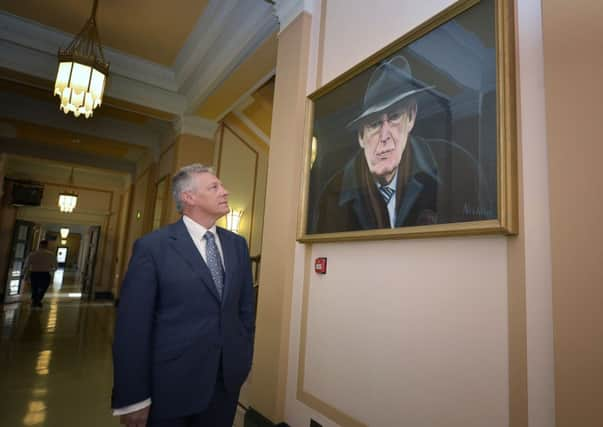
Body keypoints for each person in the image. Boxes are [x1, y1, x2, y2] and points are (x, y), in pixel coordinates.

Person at [111, 164, 255, 427]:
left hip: (224, 384)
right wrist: (133, 398)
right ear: (189, 197)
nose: (225, 191)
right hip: (170, 386)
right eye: (214, 187)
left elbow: (245, 309)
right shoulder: (153, 247)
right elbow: (132, 328)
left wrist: (242, 357)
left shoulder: (237, 245)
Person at [311, 55, 487, 233]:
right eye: (374, 123)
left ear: (411, 117)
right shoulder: (334, 193)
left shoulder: (459, 165)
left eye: (394, 117)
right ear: (361, 137)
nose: (384, 136)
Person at [23, 240, 57, 308]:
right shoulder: (51, 255)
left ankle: (35, 300)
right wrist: (51, 271)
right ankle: (38, 300)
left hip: (34, 273)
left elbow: (26, 265)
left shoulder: (32, 254)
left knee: (34, 287)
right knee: (43, 288)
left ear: (39, 245)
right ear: (47, 245)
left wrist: (25, 274)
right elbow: (55, 266)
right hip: (45, 274)